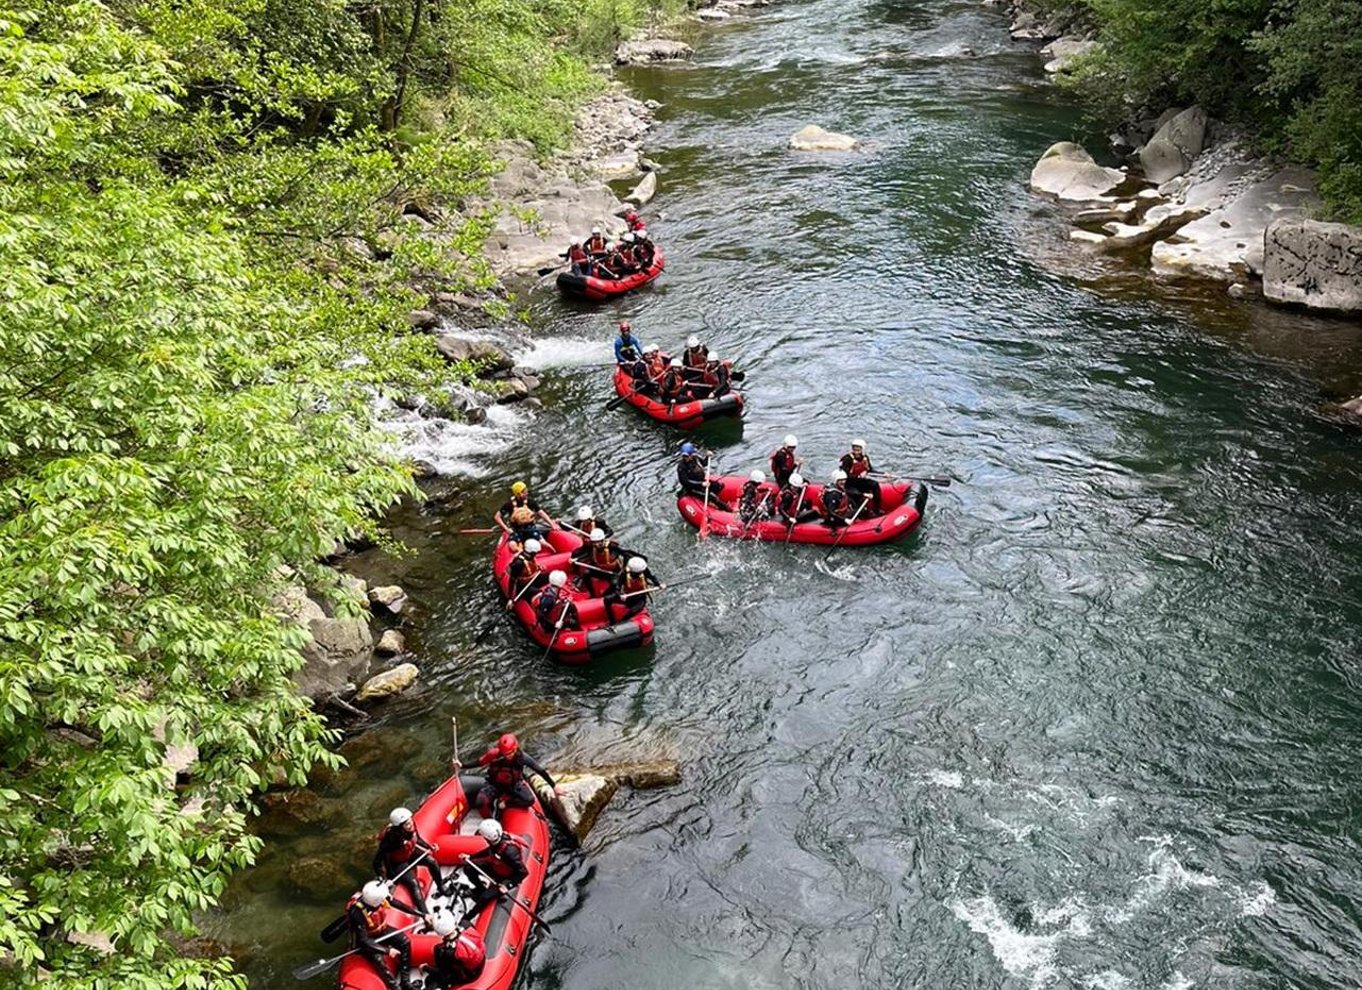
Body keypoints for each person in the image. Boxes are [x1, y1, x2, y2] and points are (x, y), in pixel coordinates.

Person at [346, 880, 425, 990]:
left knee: (405, 942)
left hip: (380, 930)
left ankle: (405, 982)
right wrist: (387, 951)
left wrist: (422, 914)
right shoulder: (357, 913)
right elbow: (364, 940)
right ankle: (396, 988)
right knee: (379, 961)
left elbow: (399, 905)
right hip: (367, 940)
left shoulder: (378, 898)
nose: (385, 899)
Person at [372, 807, 451, 916]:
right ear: (400, 827)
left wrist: (428, 846)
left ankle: (440, 886)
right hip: (398, 863)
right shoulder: (392, 838)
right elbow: (377, 860)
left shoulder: (411, 826)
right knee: (413, 884)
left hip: (410, 853)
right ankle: (425, 915)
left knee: (432, 862)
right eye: (407, 824)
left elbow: (417, 838)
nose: (411, 825)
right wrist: (383, 877)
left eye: (410, 821)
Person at [463, 732, 559, 818]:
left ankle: (503, 804)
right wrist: (462, 766)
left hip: (513, 784)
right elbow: (479, 762)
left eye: (509, 753)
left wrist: (554, 786)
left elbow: (540, 770)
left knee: (529, 800)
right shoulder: (494, 754)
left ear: (515, 749)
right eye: (504, 754)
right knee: (480, 802)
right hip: (495, 784)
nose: (507, 756)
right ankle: (490, 820)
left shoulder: (523, 758)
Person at [459, 818, 530, 916]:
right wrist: (471, 857)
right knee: (468, 868)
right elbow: (488, 851)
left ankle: (468, 917)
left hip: (507, 877)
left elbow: (523, 872)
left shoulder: (509, 852)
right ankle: (480, 888)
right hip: (497, 868)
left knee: (485, 898)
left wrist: (507, 885)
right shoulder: (496, 842)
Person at [424, 913, 486, 990]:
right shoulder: (466, 924)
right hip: (480, 964)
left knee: (430, 979)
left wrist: (425, 968)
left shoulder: (444, 951)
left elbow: (442, 972)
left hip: (469, 976)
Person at [571, 527, 625, 594]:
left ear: (602, 540)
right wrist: (577, 559)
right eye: (594, 542)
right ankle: (592, 593)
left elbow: (624, 554)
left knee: (614, 583)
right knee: (586, 573)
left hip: (612, 573)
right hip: (599, 570)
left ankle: (608, 596)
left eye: (598, 542)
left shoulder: (612, 547)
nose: (596, 544)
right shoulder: (593, 548)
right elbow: (588, 555)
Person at [839, 438, 881, 513]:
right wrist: (858, 476)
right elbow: (844, 475)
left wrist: (883, 474)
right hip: (849, 484)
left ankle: (876, 509)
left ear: (862, 450)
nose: (856, 452)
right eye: (854, 450)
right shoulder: (847, 459)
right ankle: (859, 510)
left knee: (875, 484)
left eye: (858, 450)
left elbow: (870, 469)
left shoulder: (865, 458)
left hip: (860, 482)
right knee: (856, 493)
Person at [533, 570, 578, 637]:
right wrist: (555, 624)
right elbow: (541, 616)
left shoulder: (552, 589)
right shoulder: (548, 599)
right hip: (548, 624)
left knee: (571, 607)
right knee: (573, 622)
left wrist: (564, 601)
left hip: (553, 613)